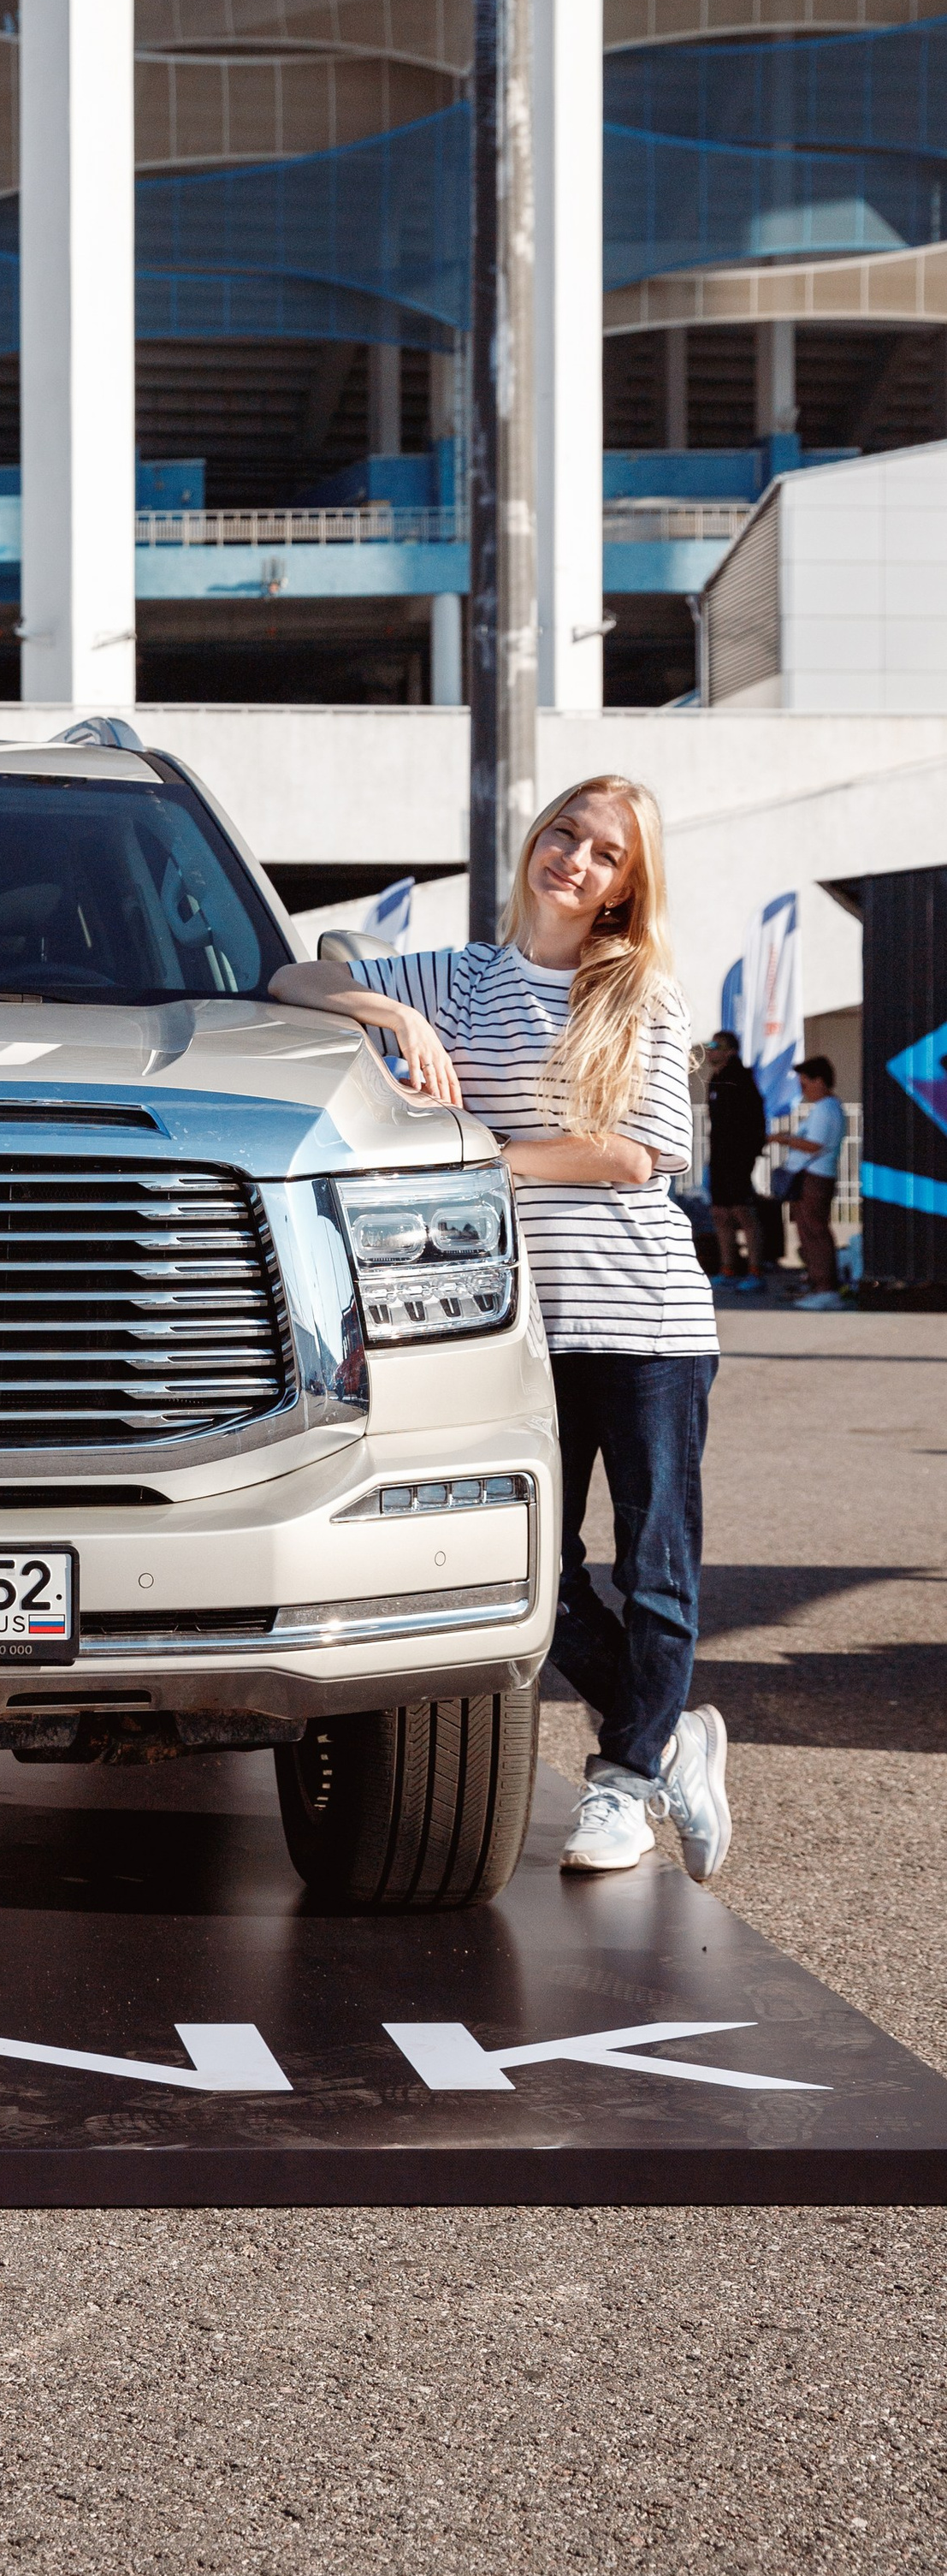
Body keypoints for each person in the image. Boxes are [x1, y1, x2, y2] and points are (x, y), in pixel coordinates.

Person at [269, 774, 731, 1882]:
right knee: (543, 1565)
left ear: (627, 888)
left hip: (648, 1318)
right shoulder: (459, 977)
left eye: (606, 853)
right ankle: (673, 1736)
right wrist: (389, 1010)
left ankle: (624, 1780)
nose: (574, 858)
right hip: (519, 1324)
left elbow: (630, 1155)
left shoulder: (641, 995)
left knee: (656, 1565)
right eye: (567, 832)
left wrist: (472, 1157)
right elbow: (285, 976)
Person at [771, 1056, 847, 1312]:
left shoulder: (827, 1109)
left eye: (805, 1084)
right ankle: (817, 1283)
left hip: (816, 1176)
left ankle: (826, 1288)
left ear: (820, 1081)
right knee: (807, 1231)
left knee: (815, 1232)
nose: (803, 1091)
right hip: (811, 1176)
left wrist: (785, 1140)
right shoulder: (824, 1108)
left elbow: (814, 1145)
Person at [703, 1030, 768, 1293]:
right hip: (718, 1156)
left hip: (738, 1157)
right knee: (719, 1213)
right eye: (709, 1045)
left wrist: (749, 1154)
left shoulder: (741, 1078)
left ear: (731, 1051)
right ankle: (727, 1268)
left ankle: (755, 1270)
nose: (710, 1050)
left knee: (743, 1212)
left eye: (716, 1046)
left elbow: (756, 1120)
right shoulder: (714, 1079)